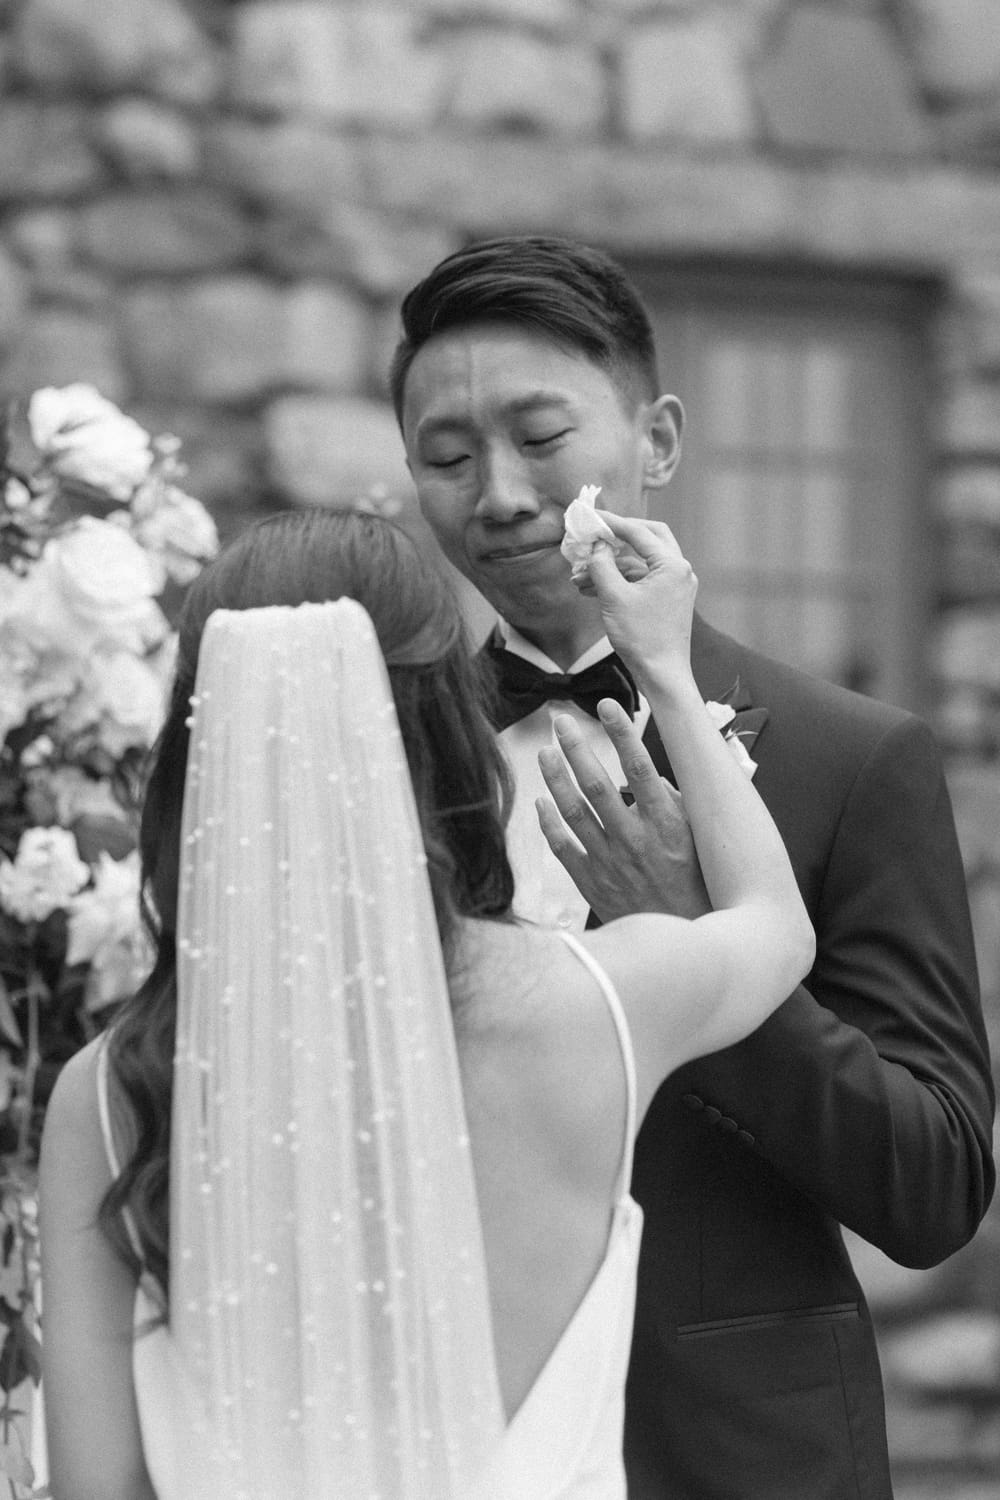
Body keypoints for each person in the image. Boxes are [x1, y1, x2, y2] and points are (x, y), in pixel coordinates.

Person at [38, 506, 814, 1500]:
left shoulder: (109, 1098)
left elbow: (94, 1489)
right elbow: (774, 925)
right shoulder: (598, 1009)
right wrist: (662, 664)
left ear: (203, 740)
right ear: (447, 722)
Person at [390, 235, 997, 1499]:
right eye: (446, 458)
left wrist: (699, 951)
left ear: (656, 439)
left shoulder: (853, 756)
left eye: (540, 438)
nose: (495, 493)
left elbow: (934, 1185)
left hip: (735, 1451)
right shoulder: (381, 751)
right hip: (439, 1437)